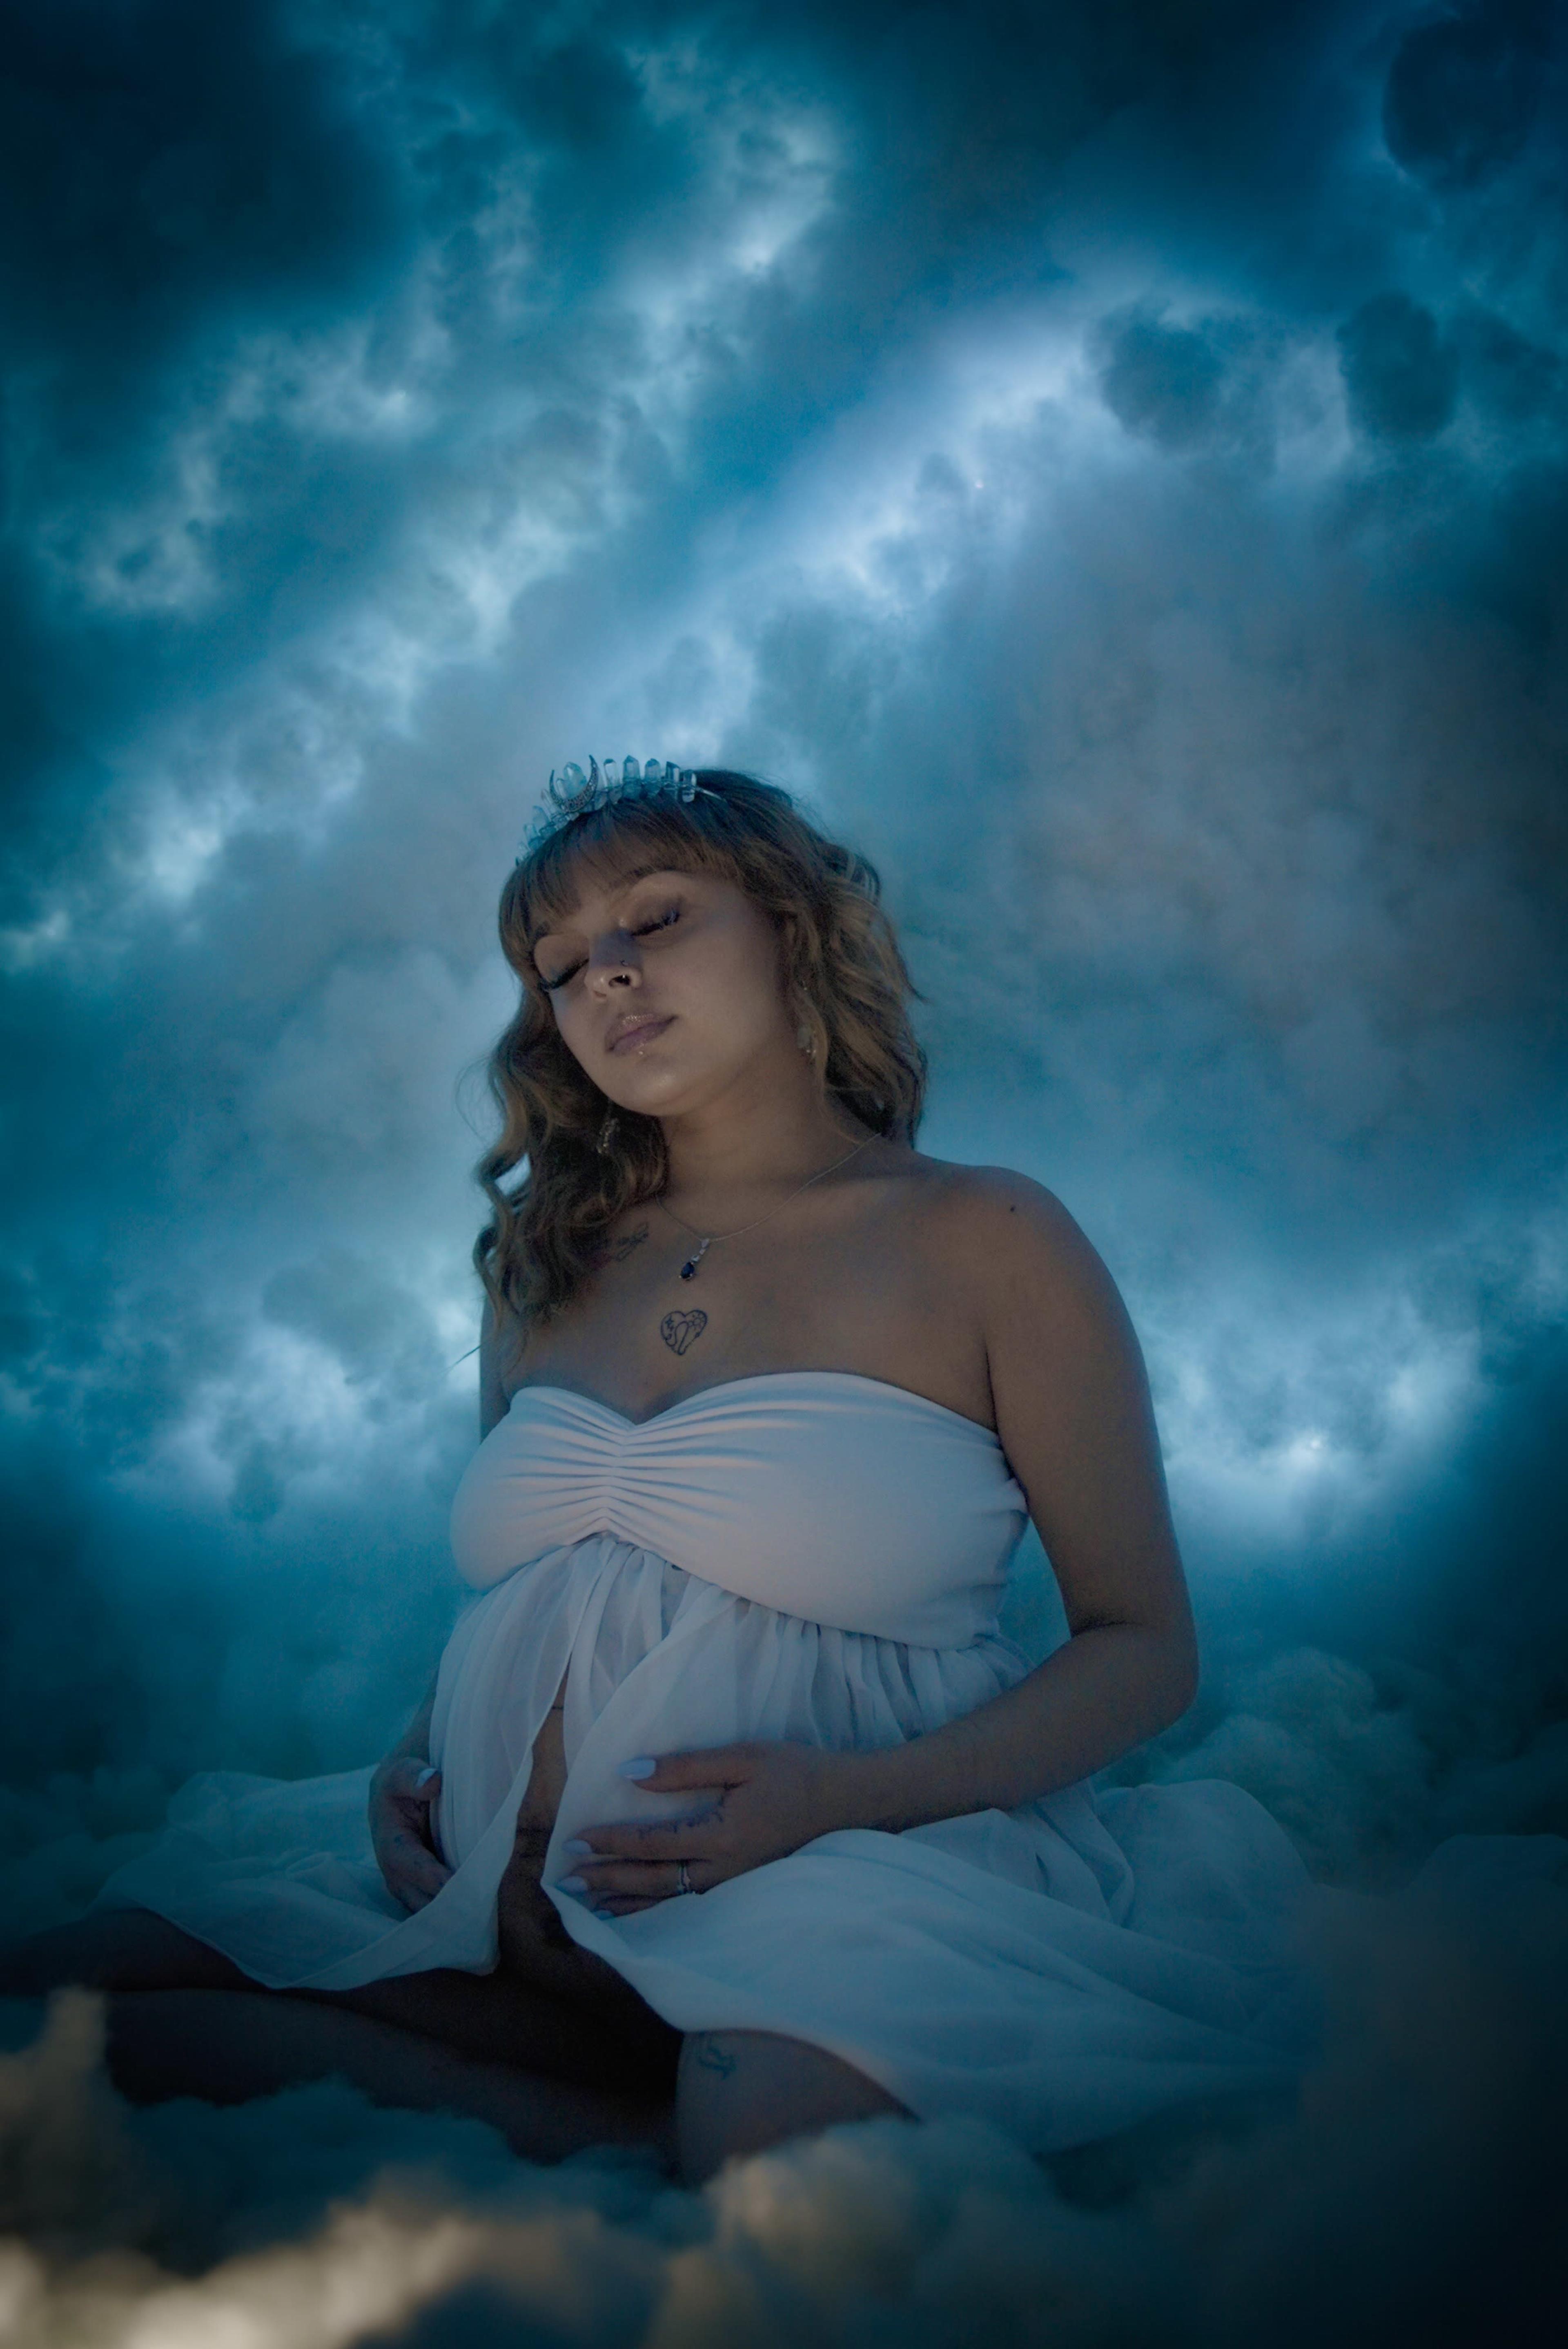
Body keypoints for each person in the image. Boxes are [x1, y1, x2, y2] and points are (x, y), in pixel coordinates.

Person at [2, 762, 1341, 2182]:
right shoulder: (544, 1262)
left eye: (655, 920)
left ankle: (656, 2108)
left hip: (848, 1870)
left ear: (790, 930)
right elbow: (534, 1593)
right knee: (61, 1991)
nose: (608, 980)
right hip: (500, 1883)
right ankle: (591, 2070)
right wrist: (411, 1766)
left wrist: (836, 1802)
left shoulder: (989, 1235)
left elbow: (1144, 1649)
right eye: (562, 966)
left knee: (778, 2149)